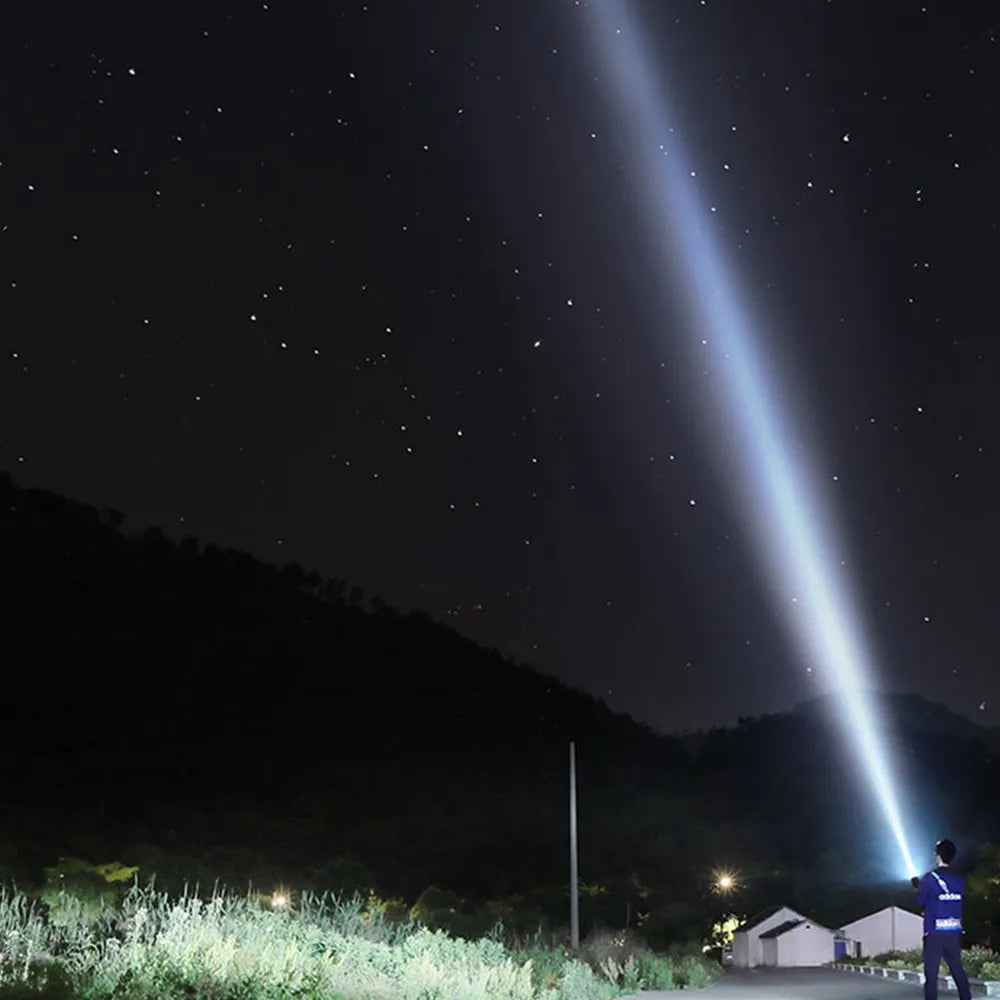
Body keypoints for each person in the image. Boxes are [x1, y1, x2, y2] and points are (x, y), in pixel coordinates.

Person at [911, 839, 971, 1000]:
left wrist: (918, 887)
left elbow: (920, 901)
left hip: (934, 933)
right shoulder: (960, 880)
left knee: (931, 975)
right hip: (953, 932)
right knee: (958, 970)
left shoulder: (930, 878)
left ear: (938, 856)